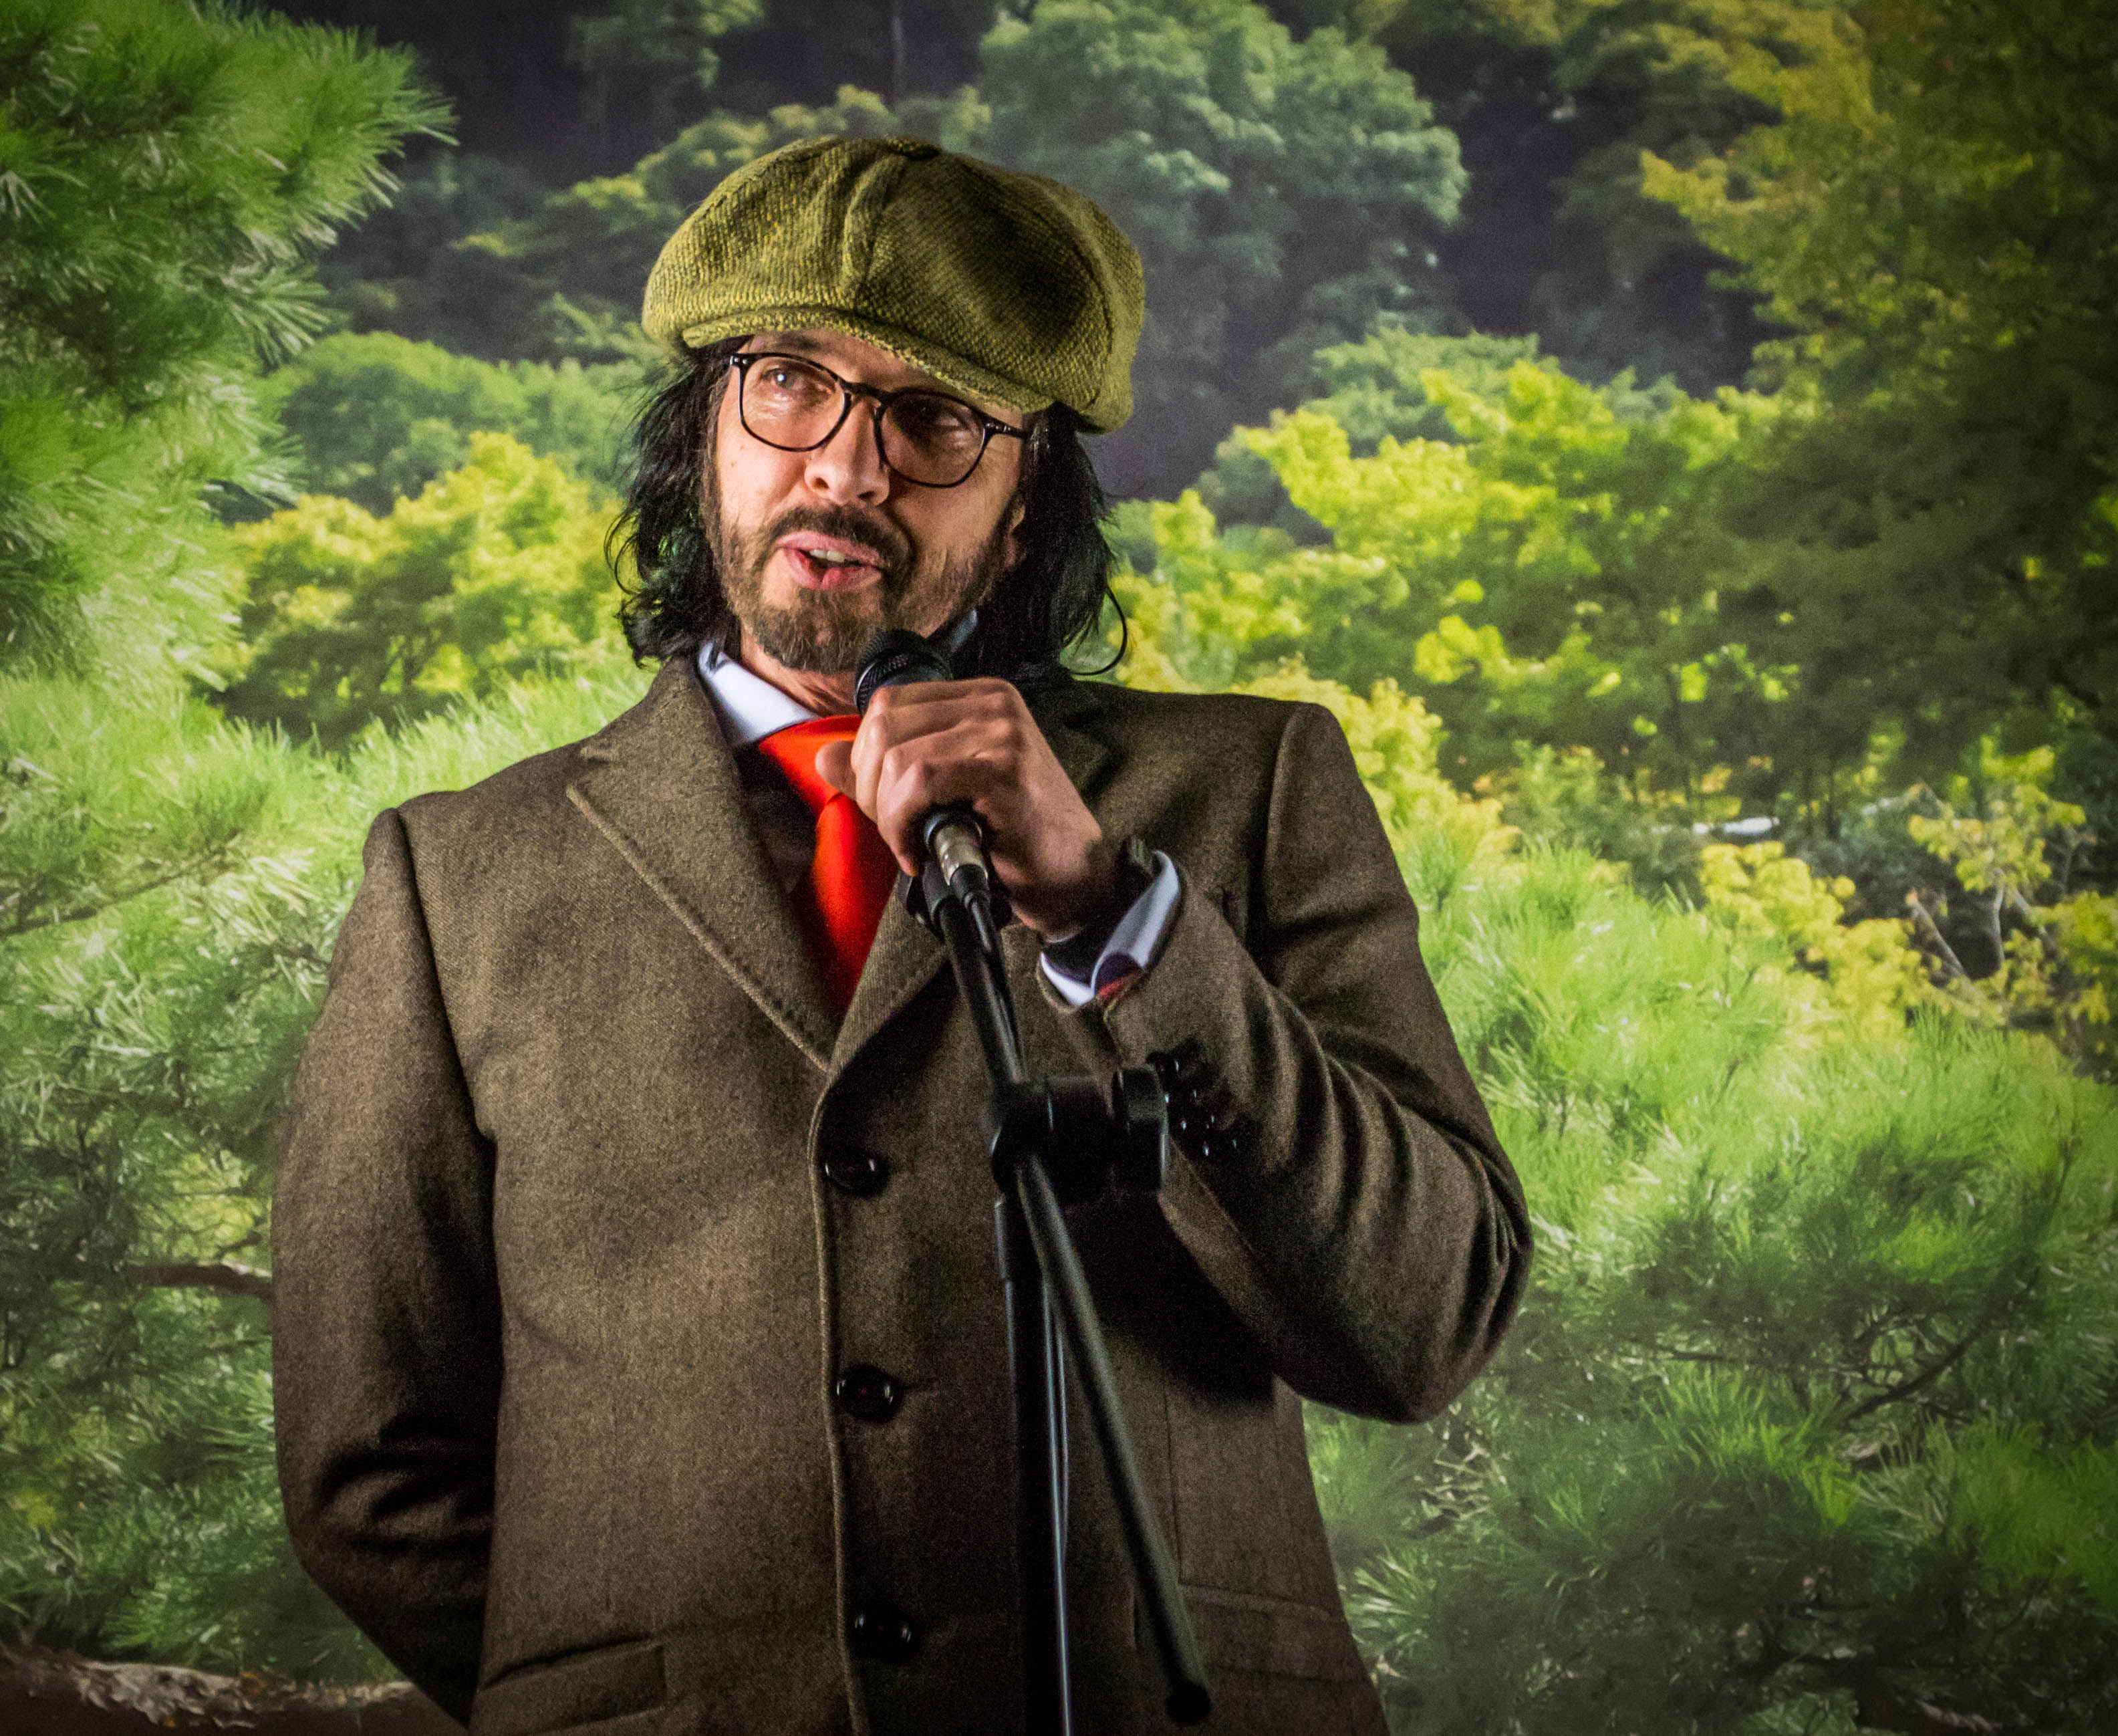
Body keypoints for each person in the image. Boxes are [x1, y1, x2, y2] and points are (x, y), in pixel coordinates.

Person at [272, 135, 1530, 1736]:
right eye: (789, 384)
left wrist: (1112, 911)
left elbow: (1428, 1321)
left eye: (934, 421)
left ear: (1020, 515)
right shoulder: (454, 879)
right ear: (703, 441)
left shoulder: (1253, 788)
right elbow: (368, 1469)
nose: (848, 470)